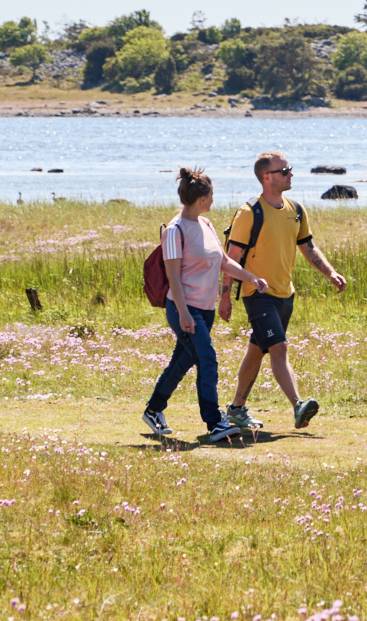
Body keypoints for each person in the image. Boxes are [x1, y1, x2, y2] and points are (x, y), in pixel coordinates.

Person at [225, 149, 347, 433]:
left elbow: (307, 247)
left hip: (285, 294)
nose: (291, 174)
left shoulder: (297, 210)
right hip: (257, 294)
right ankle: (298, 405)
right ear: (267, 178)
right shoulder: (248, 213)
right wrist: (224, 296)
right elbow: (230, 258)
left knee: (257, 350)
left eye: (289, 169)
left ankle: (236, 408)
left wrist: (330, 272)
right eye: (284, 171)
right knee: (279, 348)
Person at [143, 166, 267, 443]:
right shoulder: (175, 231)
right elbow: (173, 276)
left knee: (183, 360)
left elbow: (223, 261)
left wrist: (252, 278)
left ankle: (153, 410)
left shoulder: (206, 225)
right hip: (184, 309)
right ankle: (214, 423)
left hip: (205, 309)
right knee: (207, 360)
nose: (213, 200)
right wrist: (185, 313)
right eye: (211, 196)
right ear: (202, 198)